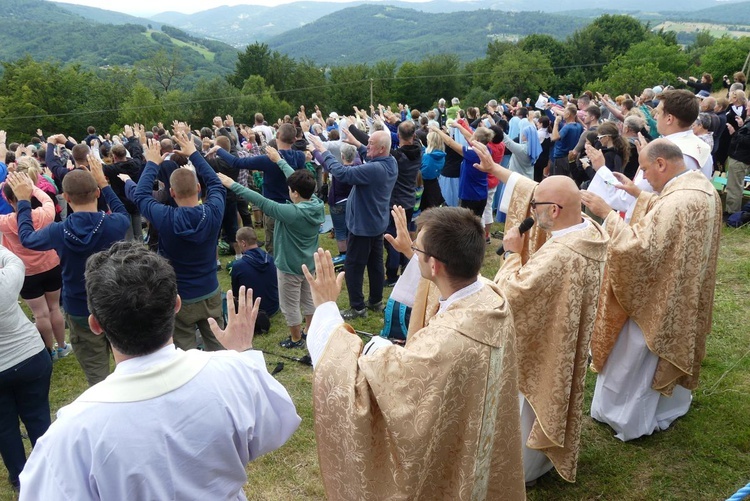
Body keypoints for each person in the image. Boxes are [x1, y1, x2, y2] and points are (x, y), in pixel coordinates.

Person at [18, 241, 300, 500]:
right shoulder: (233, 373)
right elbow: (275, 427)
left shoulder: (71, 435)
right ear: (176, 305)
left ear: (95, 325)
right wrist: (242, 358)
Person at [303, 208, 525, 500]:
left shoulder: (439, 346)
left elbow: (355, 380)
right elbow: (446, 286)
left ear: (434, 266)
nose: (414, 252)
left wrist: (326, 309)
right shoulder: (491, 298)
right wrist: (414, 252)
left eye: (418, 250)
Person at [471, 141, 608, 483]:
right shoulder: (589, 230)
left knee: (526, 406)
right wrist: (497, 171)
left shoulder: (558, 254)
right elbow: (543, 191)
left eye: (536, 207)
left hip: (541, 345)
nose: (531, 211)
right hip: (563, 333)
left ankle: (524, 467)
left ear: (556, 211)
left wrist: (512, 254)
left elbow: (510, 295)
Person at [580, 139, 721, 442]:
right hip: (683, 287)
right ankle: (668, 406)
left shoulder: (678, 200)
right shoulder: (701, 188)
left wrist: (606, 213)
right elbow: (664, 215)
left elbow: (639, 249)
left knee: (633, 353)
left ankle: (624, 416)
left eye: (644, 170)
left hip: (658, 295)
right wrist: (635, 192)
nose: (643, 177)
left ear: (661, 164)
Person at [15, 155, 130, 386]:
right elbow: (123, 212)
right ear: (96, 193)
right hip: (113, 302)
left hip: (79, 307)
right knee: (128, 363)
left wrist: (23, 202)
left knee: (97, 375)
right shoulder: (114, 223)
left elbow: (26, 238)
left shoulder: (58, 231)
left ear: (65, 197)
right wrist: (105, 184)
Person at [127, 131, 226, 352]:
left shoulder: (166, 217)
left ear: (171, 192)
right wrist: (194, 153)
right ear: (199, 189)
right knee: (219, 347)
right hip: (209, 289)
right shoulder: (213, 211)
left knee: (184, 352)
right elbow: (217, 185)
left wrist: (152, 163)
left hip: (179, 296)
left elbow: (141, 196)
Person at [217, 146, 324, 349]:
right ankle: (310, 330)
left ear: (294, 193)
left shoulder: (291, 212)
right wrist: (279, 161)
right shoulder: (316, 202)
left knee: (290, 304)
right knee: (308, 298)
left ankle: (295, 338)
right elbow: (298, 180)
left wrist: (232, 184)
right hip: (308, 263)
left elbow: (262, 201)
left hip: (290, 266)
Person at [313, 131, 398, 319]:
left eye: (371, 144)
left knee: (353, 266)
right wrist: (358, 144)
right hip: (376, 223)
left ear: (382, 148)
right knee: (375, 264)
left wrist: (323, 151)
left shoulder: (374, 169)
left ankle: (357, 307)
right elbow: (370, 154)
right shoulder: (390, 161)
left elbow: (343, 173)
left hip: (362, 226)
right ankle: (376, 301)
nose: (367, 146)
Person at [0, 244, 53, 493]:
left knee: (4, 426)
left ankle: (20, 478)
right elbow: (15, 261)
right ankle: (50, 467)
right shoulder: (5, 280)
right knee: (38, 415)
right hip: (29, 356)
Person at [1, 174, 69, 361]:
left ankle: (49, 351)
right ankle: (62, 346)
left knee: (40, 314)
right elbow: (47, 199)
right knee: (55, 308)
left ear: (7, 199)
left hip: (27, 273)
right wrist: (32, 187)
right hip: (51, 266)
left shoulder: (6, 222)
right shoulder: (43, 215)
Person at [230, 226, 279, 334]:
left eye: (238, 243)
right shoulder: (270, 259)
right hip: (274, 306)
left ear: (243, 243)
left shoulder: (239, 265)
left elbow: (235, 293)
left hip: (254, 311)